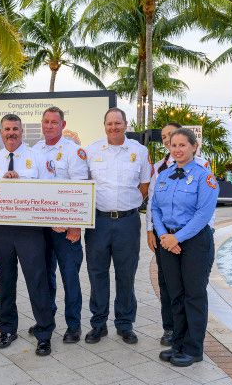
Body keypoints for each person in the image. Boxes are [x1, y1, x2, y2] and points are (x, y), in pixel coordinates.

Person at [0, 113, 55, 356]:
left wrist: (20, 179)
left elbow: (49, 189)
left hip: (29, 230)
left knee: (37, 280)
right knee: (6, 281)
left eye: (15, 129)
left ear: (22, 132)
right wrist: (2, 180)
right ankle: (8, 329)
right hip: (1, 229)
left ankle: (44, 333)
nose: (11, 133)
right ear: (0, 133)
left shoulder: (37, 157)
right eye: (7, 129)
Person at [151, 127, 219, 367]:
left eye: (182, 145)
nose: (177, 149)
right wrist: (163, 236)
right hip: (168, 242)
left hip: (194, 242)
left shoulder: (204, 176)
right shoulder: (163, 175)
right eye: (173, 145)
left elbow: (203, 214)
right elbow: (155, 209)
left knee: (194, 295)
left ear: (193, 147)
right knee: (175, 295)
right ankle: (178, 343)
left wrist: (177, 238)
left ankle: (194, 348)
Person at [84, 107, 151, 345]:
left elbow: (144, 186)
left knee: (126, 275)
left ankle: (125, 324)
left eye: (118, 123)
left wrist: (126, 204)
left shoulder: (139, 151)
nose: (114, 127)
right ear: (104, 126)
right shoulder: (91, 150)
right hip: (98, 222)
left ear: (125, 124)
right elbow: (83, 184)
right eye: (109, 123)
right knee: (97, 273)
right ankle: (98, 324)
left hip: (128, 222)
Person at [31, 106, 88, 344]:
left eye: (54, 122)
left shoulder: (74, 152)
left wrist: (76, 225)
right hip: (41, 228)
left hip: (66, 229)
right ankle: (47, 318)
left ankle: (73, 325)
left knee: (69, 277)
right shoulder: (34, 151)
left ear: (63, 125)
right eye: (46, 122)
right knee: (44, 277)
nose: (49, 126)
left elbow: (81, 189)